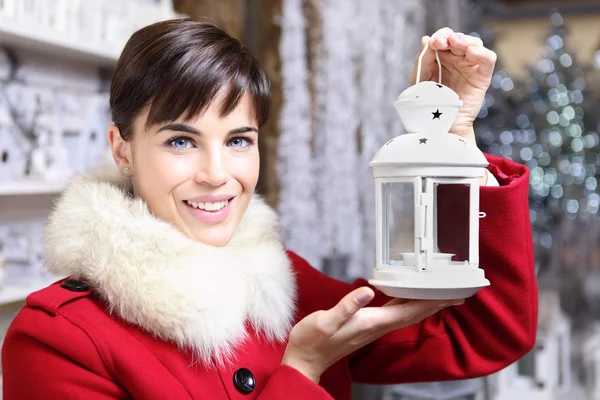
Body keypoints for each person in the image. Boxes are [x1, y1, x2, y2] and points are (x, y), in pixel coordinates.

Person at [1, 18, 537, 400]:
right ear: (123, 150)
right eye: (181, 142)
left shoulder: (282, 283)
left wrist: (455, 139)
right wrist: (301, 370)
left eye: (239, 140)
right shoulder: (55, 339)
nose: (217, 174)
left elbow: (483, 333)